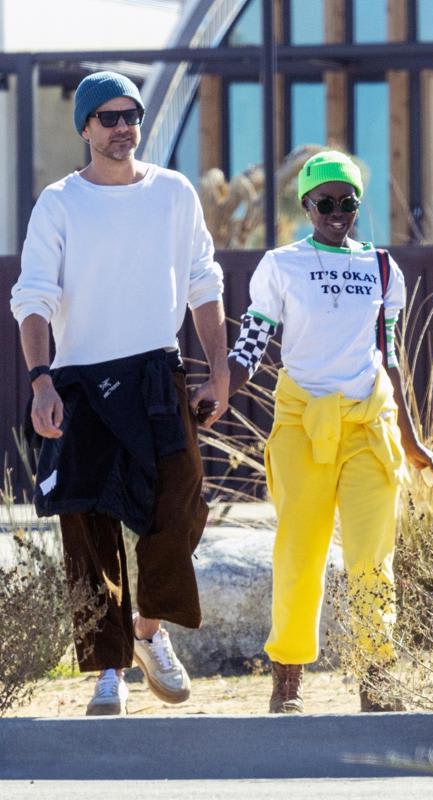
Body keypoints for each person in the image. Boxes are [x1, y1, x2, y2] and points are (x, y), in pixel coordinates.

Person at [11, 71, 229, 716]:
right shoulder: (59, 202)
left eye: (130, 114)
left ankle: (148, 633)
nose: (121, 126)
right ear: (85, 127)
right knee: (88, 525)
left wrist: (218, 369)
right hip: (80, 380)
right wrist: (40, 378)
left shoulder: (173, 192)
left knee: (182, 504)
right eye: (106, 117)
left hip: (159, 373)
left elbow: (203, 279)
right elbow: (33, 296)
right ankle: (107, 671)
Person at [228, 150, 433, 714]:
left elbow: (389, 355)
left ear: (357, 206)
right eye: (326, 202)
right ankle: (288, 681)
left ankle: (377, 678)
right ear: (307, 205)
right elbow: (254, 337)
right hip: (302, 424)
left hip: (371, 424)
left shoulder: (383, 267)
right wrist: (220, 389)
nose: (337, 211)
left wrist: (412, 441)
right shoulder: (281, 264)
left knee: (373, 556)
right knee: (300, 551)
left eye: (347, 202)